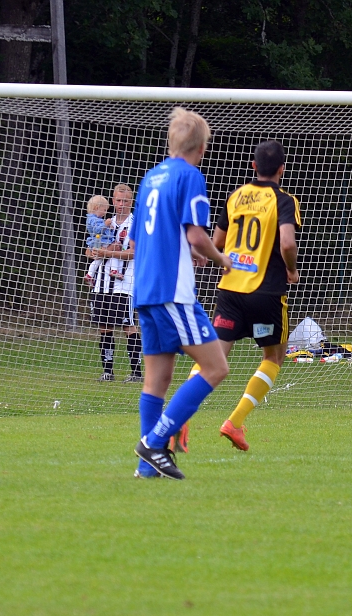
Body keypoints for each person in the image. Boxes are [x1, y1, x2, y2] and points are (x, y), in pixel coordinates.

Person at [132, 107, 232, 480]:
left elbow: (147, 237)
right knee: (216, 366)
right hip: (173, 292)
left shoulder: (150, 178)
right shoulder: (190, 175)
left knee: (156, 379)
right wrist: (219, 257)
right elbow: (195, 234)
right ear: (202, 147)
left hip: (144, 288)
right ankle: (156, 441)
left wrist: (192, 255)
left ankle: (146, 470)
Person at [209, 139, 301, 452]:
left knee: (213, 359)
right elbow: (287, 243)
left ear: (253, 167)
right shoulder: (284, 200)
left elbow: (217, 241)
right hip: (266, 293)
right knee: (273, 357)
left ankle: (178, 418)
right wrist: (292, 270)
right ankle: (235, 422)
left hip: (230, 291)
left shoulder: (235, 196)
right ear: (281, 169)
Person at [88, 184, 143, 382]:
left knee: (128, 325)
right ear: (113, 201)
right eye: (118, 201)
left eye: (125, 201)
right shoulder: (102, 222)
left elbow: (135, 252)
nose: (121, 205)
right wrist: (94, 252)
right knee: (104, 326)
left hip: (124, 284)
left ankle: (136, 372)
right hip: (100, 283)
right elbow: (90, 249)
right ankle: (108, 372)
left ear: (131, 202)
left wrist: (107, 253)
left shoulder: (135, 223)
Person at [83, 195, 114, 287]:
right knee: (114, 251)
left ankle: (90, 275)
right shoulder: (94, 220)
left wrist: (109, 227)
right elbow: (97, 230)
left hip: (100, 241)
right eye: (104, 210)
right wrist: (106, 224)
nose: (105, 213)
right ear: (97, 208)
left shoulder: (94, 219)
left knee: (99, 260)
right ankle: (114, 270)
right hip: (101, 242)